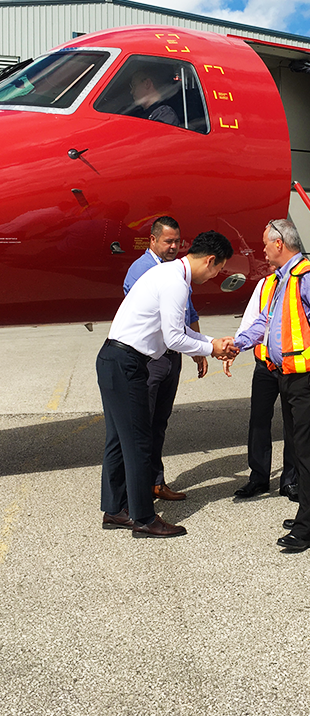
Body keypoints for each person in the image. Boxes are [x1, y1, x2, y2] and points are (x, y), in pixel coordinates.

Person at [98, 230, 236, 538]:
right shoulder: (176, 282)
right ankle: (144, 519)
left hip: (114, 360)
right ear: (211, 261)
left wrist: (211, 341)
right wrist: (212, 348)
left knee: (119, 440)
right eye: (218, 269)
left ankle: (115, 510)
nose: (215, 276)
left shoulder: (168, 273)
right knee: (137, 442)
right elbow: (174, 338)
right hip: (126, 363)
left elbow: (176, 329)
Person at [233, 219, 310, 552]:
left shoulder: (309, 278)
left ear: (280, 243)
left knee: (306, 449)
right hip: (288, 374)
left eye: (265, 244)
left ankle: (305, 528)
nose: (262, 250)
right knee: (303, 447)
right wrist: (237, 343)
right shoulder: (279, 281)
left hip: (308, 376)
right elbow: (264, 323)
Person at [124, 215, 206, 502]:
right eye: (168, 241)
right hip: (150, 358)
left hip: (172, 357)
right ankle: (136, 491)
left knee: (159, 422)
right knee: (141, 425)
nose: (173, 247)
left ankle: (156, 482)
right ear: (153, 240)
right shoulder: (141, 270)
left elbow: (189, 312)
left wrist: (197, 348)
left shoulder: (177, 273)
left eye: (177, 242)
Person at [233, 250, 298, 501]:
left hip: (292, 367)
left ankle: (290, 480)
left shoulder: (302, 283)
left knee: (293, 424)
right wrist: (235, 348)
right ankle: (258, 478)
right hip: (265, 367)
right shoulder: (265, 284)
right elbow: (251, 322)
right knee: (259, 422)